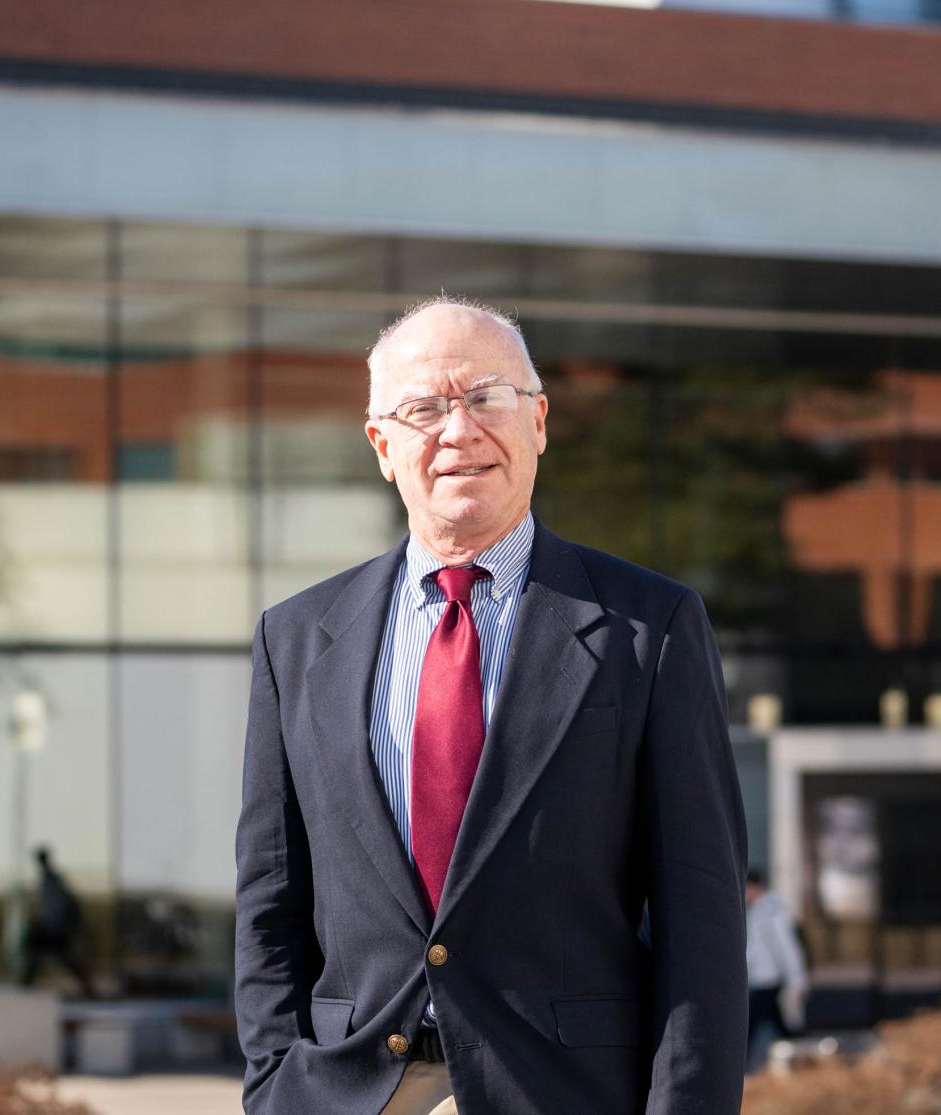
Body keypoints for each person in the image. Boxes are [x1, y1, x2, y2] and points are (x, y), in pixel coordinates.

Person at [233, 297, 748, 1115]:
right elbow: (271, 902)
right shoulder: (293, 641)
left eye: (486, 397)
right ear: (382, 445)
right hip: (349, 1094)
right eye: (424, 407)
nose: (458, 430)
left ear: (538, 420)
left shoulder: (650, 628)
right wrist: (274, 1086)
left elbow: (702, 917)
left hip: (566, 1091)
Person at [743, 869, 808, 1073]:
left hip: (769, 982)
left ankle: (741, 1071)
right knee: (784, 1030)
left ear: (755, 887)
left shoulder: (771, 912)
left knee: (748, 1029)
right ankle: (801, 1063)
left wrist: (797, 980)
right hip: (761, 980)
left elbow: (787, 949)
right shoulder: (758, 911)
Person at [21, 846, 95, 998]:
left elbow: (64, 904)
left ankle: (87, 986)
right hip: (51, 927)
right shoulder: (46, 880)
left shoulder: (53, 880)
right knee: (36, 951)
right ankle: (27, 982)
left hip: (56, 928)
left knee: (61, 957)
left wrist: (68, 925)